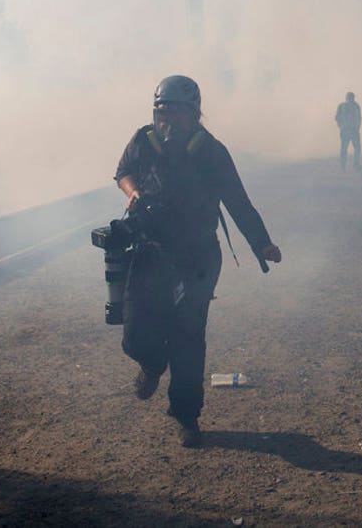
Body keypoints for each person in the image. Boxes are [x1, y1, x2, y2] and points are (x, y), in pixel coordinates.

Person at [114, 75, 282, 448]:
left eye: (175, 113)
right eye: (161, 114)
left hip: (196, 257)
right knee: (135, 335)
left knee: (188, 338)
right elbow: (122, 172)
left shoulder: (212, 152)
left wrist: (262, 244)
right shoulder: (143, 140)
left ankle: (187, 416)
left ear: (194, 114)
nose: (167, 122)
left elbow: (238, 203)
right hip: (148, 250)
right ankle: (152, 364)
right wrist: (134, 191)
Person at [335, 92, 362, 171]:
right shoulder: (345, 106)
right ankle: (349, 165)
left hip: (351, 130)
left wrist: (341, 126)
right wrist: (342, 126)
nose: (351, 100)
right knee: (349, 148)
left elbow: (359, 118)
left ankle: (350, 165)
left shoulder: (355, 106)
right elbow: (337, 117)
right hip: (349, 130)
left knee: (349, 148)